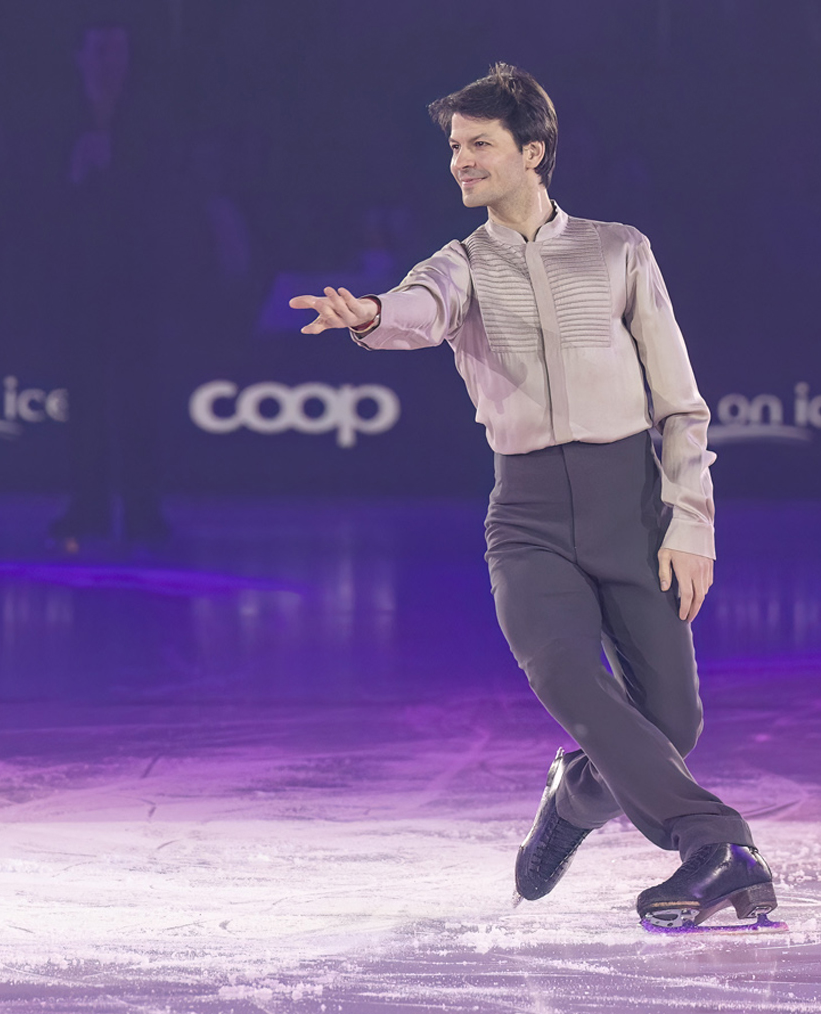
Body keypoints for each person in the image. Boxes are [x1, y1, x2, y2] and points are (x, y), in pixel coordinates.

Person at [291, 64, 774, 930]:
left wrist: (691, 523)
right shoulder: (461, 264)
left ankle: (575, 796)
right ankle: (715, 843)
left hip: (633, 502)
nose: (460, 162)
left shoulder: (619, 249)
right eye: (454, 148)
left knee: (672, 721)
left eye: (479, 145)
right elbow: (419, 308)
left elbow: (681, 402)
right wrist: (366, 313)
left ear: (533, 152)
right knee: (563, 672)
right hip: (528, 515)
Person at [46, 23, 171, 551]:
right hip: (78, 277)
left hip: (139, 274)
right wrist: (76, 171)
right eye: (98, 49)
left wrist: (116, 163)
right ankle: (88, 503)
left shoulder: (151, 116)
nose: (108, 59)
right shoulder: (58, 117)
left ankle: (142, 506)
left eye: (117, 49)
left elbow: (166, 187)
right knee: (85, 394)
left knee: (140, 392)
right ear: (80, 57)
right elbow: (39, 195)